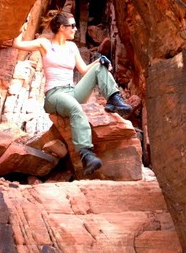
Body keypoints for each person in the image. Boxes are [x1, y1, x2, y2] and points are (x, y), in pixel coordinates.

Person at [12, 10, 132, 175]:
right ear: (62, 27)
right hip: (54, 95)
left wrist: (99, 61)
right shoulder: (44, 44)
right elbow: (17, 44)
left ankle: (114, 99)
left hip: (72, 91)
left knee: (100, 67)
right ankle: (86, 154)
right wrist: (20, 24)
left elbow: (83, 70)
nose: (76, 29)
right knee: (75, 108)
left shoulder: (71, 47)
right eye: (72, 26)